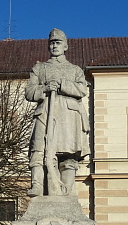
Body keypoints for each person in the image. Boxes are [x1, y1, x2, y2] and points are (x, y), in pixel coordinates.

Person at [25, 28, 90, 196]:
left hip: (68, 116)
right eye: (52, 43)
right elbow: (29, 92)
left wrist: (63, 85)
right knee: (39, 150)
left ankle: (67, 191)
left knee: (68, 156)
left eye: (58, 43)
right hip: (45, 112)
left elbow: (83, 89)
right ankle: (37, 185)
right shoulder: (39, 68)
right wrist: (45, 88)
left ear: (66, 46)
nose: (54, 46)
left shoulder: (75, 70)